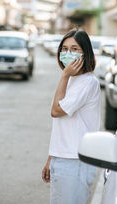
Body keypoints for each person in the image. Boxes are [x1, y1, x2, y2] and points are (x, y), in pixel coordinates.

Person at [42, 29, 101, 204]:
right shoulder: (72, 81)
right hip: (63, 158)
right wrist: (51, 158)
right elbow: (61, 124)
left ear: (86, 53)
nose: (68, 53)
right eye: (65, 48)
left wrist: (65, 75)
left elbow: (56, 111)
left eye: (75, 49)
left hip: (75, 161)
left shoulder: (88, 83)